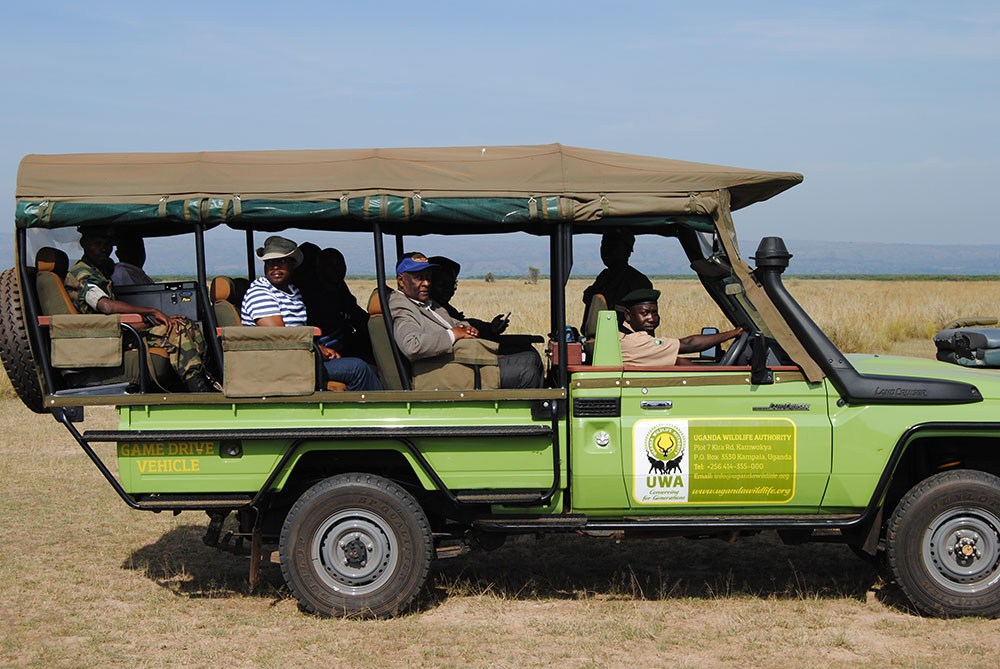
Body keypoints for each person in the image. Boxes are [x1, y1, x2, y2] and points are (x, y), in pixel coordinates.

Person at [64, 226, 216, 392]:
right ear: (84, 244)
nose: (104, 249)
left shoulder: (99, 271)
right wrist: (151, 311)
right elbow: (106, 306)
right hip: (103, 338)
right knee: (177, 330)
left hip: (114, 331)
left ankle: (205, 377)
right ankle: (198, 388)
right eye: (98, 243)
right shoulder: (82, 275)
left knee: (184, 323)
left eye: (108, 244)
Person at [240, 235, 382, 392]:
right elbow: (281, 339)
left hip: (297, 359)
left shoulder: (292, 291)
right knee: (358, 368)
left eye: (282, 261)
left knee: (363, 361)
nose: (275, 267)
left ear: (293, 264)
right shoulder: (261, 294)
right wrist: (318, 349)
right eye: (270, 262)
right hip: (278, 366)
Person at [389, 253, 542, 389]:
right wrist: (453, 334)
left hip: (462, 361)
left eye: (428, 277)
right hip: (446, 371)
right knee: (528, 372)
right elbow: (412, 345)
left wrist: (467, 329)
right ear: (401, 280)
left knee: (531, 358)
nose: (427, 283)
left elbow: (454, 322)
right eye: (419, 278)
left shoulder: (427, 303)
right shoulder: (401, 306)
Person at [618, 289, 743, 366]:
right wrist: (733, 333)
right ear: (628, 315)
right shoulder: (634, 341)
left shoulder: (623, 335)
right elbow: (688, 345)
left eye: (655, 313)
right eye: (644, 314)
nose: (651, 318)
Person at [298, 246, 373, 362]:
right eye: (330, 265)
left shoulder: (339, 288)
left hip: (344, 340)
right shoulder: (309, 294)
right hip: (326, 347)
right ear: (319, 268)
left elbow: (355, 313)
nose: (337, 269)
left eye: (340, 264)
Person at [581, 231, 653, 329]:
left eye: (613, 246)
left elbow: (645, 324)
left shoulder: (638, 281)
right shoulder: (604, 277)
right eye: (604, 245)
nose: (606, 251)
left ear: (627, 252)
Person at [428, 255, 509, 339]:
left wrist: (490, 328)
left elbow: (462, 322)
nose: (449, 289)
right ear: (429, 284)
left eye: (452, 284)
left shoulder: (445, 308)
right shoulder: (426, 309)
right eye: (442, 284)